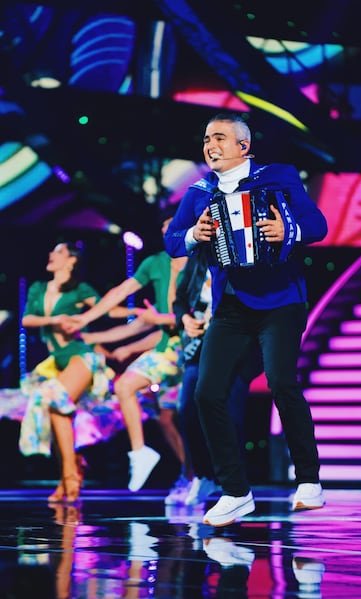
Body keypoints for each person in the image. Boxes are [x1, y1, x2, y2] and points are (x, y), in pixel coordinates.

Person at [164, 113, 328, 526]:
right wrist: (193, 235)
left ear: (244, 146)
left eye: (219, 137)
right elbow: (171, 242)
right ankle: (236, 492)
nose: (210, 145)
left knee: (281, 382)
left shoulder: (278, 177)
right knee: (206, 393)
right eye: (206, 139)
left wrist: (288, 230)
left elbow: (317, 224)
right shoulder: (199, 193)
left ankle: (309, 481)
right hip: (232, 306)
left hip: (281, 301)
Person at [62, 215, 189, 495]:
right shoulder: (155, 263)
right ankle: (172, 468)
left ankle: (200, 475)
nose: (166, 232)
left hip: (193, 349)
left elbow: (185, 319)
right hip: (170, 351)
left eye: (171, 227)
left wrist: (154, 323)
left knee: (195, 420)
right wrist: (86, 323)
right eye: (163, 228)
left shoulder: (200, 263)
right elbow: (123, 296)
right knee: (160, 414)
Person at [19, 241, 115, 503]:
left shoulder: (80, 289)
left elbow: (107, 308)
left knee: (55, 402)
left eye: (59, 251)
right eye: (52, 250)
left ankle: (70, 475)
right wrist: (55, 319)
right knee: (56, 414)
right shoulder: (39, 288)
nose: (51, 254)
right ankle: (68, 475)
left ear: (72, 260)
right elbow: (27, 319)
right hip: (56, 360)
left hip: (80, 355)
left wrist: (135, 310)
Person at [172, 246, 263, 506]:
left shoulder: (246, 253)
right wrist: (185, 319)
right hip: (200, 347)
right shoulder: (199, 258)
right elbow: (180, 300)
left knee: (231, 415)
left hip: (237, 345)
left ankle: (235, 485)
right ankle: (204, 474)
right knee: (188, 409)